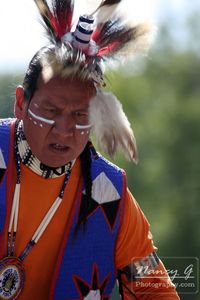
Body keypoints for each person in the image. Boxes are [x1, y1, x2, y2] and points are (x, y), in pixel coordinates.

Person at [0, 0, 180, 299]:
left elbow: (154, 287)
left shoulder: (110, 197)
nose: (63, 129)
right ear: (21, 103)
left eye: (80, 115)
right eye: (51, 111)